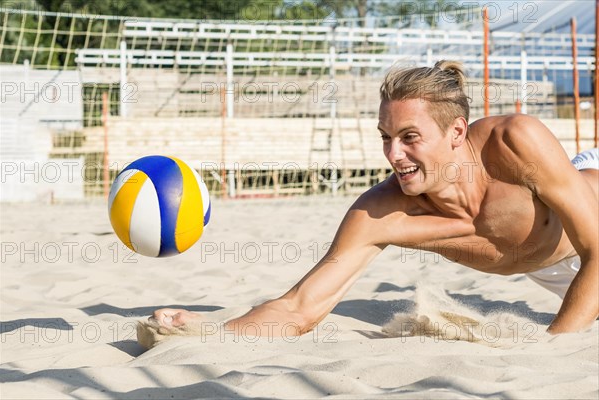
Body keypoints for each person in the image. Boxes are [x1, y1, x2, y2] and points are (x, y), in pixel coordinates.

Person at [139, 60, 598, 348]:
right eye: (386, 138)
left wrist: (555, 344)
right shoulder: (381, 213)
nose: (394, 156)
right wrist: (213, 333)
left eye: (410, 138)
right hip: (549, 262)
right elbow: (299, 308)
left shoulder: (514, 142)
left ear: (457, 132)